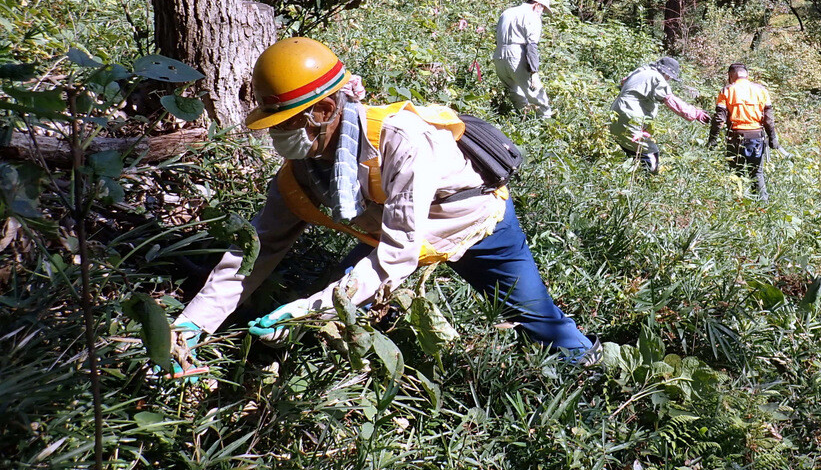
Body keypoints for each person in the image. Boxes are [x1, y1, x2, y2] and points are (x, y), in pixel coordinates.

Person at [170, 37, 594, 372]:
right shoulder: (301, 170)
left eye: (288, 122)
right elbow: (257, 249)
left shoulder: (403, 141)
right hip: (392, 229)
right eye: (274, 124)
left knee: (535, 315)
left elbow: (396, 254)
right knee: (339, 297)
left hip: (472, 222)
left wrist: (313, 308)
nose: (279, 135)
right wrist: (194, 322)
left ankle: (589, 367)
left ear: (325, 109)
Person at [609, 57, 709, 173]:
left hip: (615, 114)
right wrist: (695, 113)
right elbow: (671, 101)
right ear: (665, 72)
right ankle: (647, 180)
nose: (668, 79)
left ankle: (629, 175)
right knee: (650, 152)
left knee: (631, 149)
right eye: (669, 77)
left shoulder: (641, 71)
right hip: (630, 117)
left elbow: (623, 82)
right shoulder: (656, 78)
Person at [707, 63, 779, 201]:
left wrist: (712, 139)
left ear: (730, 76)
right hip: (756, 138)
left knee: (736, 174)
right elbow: (769, 119)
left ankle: (737, 205)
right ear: (747, 75)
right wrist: (772, 138)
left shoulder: (726, 91)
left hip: (735, 138)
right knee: (756, 173)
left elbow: (719, 119)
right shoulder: (762, 90)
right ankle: (762, 206)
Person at [493, 0, 553, 118]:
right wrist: (534, 72)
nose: (542, 13)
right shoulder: (533, 16)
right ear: (537, 5)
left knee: (515, 92)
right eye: (543, 9)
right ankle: (547, 122)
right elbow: (531, 46)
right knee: (536, 93)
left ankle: (522, 118)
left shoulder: (507, 12)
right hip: (517, 54)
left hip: (499, 55)